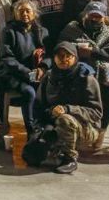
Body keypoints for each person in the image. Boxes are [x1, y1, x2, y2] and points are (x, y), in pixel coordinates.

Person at [58, 1, 109, 150]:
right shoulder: (72, 28)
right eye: (91, 15)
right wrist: (76, 50)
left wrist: (93, 52)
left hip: (102, 73)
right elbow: (61, 46)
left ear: (103, 18)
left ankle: (101, 129)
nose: (94, 19)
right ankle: (79, 129)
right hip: (77, 70)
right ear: (85, 15)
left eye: (98, 17)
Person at [35, 42, 103, 174]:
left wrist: (68, 109)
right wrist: (44, 124)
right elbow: (39, 106)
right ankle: (55, 149)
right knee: (31, 155)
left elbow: (96, 113)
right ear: (54, 58)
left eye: (68, 56)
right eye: (59, 56)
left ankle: (69, 158)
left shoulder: (86, 78)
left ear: (75, 58)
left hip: (86, 128)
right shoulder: (49, 77)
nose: (64, 59)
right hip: (54, 122)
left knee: (65, 119)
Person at [0, 0, 51, 135]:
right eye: (21, 11)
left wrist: (43, 68)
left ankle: (45, 127)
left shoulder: (42, 31)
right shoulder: (8, 31)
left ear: (34, 13)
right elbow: (7, 59)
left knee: (50, 91)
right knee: (29, 92)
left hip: (37, 75)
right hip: (12, 75)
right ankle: (31, 130)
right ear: (15, 14)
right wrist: (29, 73)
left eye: (28, 11)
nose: (25, 14)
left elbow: (50, 54)